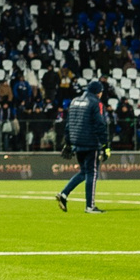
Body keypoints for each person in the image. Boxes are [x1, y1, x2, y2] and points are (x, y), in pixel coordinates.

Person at [53, 79, 111, 214]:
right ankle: (90, 206)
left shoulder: (74, 101)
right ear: (98, 92)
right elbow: (100, 124)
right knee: (92, 173)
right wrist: (105, 145)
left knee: (84, 172)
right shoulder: (96, 103)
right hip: (91, 142)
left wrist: (68, 143)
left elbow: (68, 124)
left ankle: (64, 194)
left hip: (77, 142)